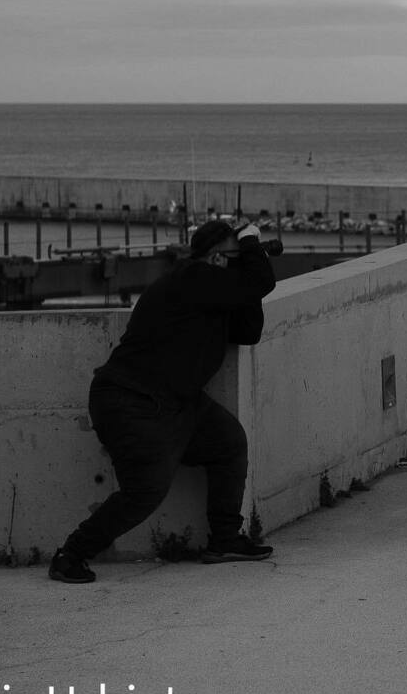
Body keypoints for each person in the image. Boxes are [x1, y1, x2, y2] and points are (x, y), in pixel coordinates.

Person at [49, 218, 277, 583]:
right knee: (145, 490)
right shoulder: (192, 278)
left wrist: (250, 270)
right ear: (218, 259)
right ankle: (70, 554)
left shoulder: (214, 294)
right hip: (131, 400)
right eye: (235, 255)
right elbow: (259, 281)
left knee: (229, 443)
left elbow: (249, 331)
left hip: (176, 402)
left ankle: (225, 540)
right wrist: (252, 247)